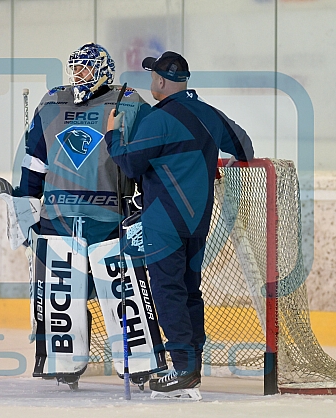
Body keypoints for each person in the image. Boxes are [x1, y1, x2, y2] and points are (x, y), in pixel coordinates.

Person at [106, 51, 254, 398]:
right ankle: (191, 367)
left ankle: (184, 369)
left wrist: (113, 134)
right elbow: (244, 147)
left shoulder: (159, 119)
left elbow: (130, 165)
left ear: (159, 81)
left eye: (152, 78)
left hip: (164, 220)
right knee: (189, 291)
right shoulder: (209, 114)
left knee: (168, 291)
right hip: (198, 220)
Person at [12, 42, 153, 389]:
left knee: (121, 291)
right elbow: (35, 160)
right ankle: (66, 362)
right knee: (63, 293)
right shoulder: (52, 101)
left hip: (109, 216)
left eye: (86, 69)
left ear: (104, 70)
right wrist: (25, 201)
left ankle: (136, 361)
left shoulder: (130, 102)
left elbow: (147, 156)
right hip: (57, 216)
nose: (79, 75)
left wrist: (143, 202)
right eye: (75, 68)